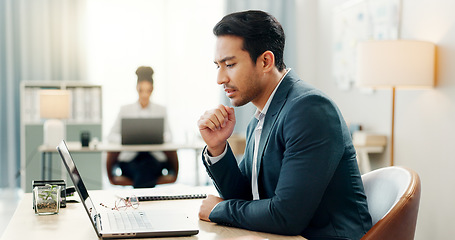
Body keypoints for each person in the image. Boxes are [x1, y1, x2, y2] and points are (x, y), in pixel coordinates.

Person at [197, 10, 372, 239]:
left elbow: (286, 216)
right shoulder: (260, 118)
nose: (220, 78)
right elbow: (245, 197)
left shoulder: (309, 109)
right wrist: (218, 147)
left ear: (266, 61)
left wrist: (218, 210)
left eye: (229, 64)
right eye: (217, 66)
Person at [107, 66, 178, 188]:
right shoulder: (125, 110)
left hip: (154, 158)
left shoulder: (161, 110)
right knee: (143, 171)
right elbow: (110, 136)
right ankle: (148, 203)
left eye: (148, 90)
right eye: (141, 90)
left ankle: (138, 202)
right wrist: (127, 138)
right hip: (130, 159)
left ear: (152, 90)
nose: (145, 94)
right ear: (136, 88)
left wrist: (160, 137)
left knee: (146, 168)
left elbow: (169, 136)